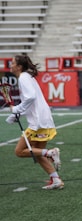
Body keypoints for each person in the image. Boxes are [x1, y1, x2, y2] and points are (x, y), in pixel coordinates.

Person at [5, 55, 63, 190]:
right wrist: (16, 115)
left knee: (20, 151)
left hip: (38, 123)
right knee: (38, 152)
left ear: (19, 66)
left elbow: (30, 97)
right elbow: (31, 102)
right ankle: (56, 179)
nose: (10, 65)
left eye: (13, 63)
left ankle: (50, 153)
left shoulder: (24, 77)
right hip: (43, 119)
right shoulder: (27, 77)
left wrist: (16, 109)